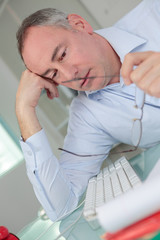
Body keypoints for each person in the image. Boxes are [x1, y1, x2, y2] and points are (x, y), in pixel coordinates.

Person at [16, 0, 160, 221]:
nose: (68, 75)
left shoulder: (154, 15)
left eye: (62, 55)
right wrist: (24, 112)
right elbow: (62, 207)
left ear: (80, 24)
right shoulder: (87, 116)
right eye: (53, 74)